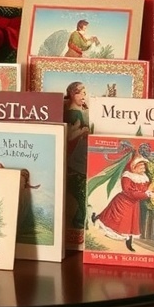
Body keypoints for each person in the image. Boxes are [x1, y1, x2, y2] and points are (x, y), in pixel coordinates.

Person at [91, 154, 154, 252]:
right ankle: (95, 218)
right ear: (134, 167)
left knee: (131, 224)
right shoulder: (127, 177)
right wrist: (146, 195)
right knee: (111, 218)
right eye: (141, 167)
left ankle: (129, 242)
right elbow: (129, 192)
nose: (143, 169)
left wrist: (151, 192)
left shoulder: (144, 177)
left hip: (134, 204)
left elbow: (145, 189)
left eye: (144, 167)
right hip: (122, 203)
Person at [63, 81, 89, 230]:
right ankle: (79, 221)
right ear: (74, 93)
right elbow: (70, 135)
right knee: (81, 192)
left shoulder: (77, 111)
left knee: (82, 192)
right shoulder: (74, 113)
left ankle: (80, 220)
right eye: (82, 93)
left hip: (77, 157)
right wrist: (83, 131)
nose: (84, 96)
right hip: (74, 159)